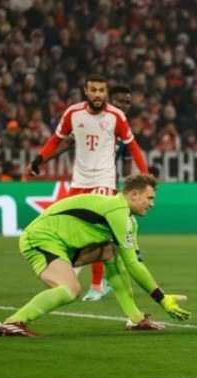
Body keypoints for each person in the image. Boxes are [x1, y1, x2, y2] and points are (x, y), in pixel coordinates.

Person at [0, 174, 191, 337]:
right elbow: (133, 264)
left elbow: (134, 261)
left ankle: (136, 319)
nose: (152, 204)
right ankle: (12, 323)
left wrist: (160, 296)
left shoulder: (129, 221)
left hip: (63, 245)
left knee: (111, 252)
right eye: (149, 198)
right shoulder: (116, 210)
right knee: (70, 289)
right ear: (133, 194)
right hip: (40, 238)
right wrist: (162, 299)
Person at [26, 76, 150, 302]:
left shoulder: (115, 117)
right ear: (86, 91)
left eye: (101, 90)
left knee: (99, 233)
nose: (97, 94)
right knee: (69, 230)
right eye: (93, 90)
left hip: (104, 181)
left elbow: (132, 146)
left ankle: (97, 285)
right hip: (78, 182)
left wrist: (144, 174)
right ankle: (68, 274)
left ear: (105, 93)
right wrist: (39, 160)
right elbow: (58, 140)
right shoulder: (73, 114)